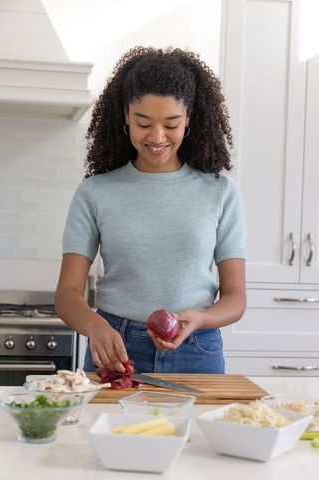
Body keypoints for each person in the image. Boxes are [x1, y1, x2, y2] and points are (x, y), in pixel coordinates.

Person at [54, 46, 247, 375]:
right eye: (144, 122)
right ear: (126, 116)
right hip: (117, 349)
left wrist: (200, 318)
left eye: (171, 124)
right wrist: (95, 326)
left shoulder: (220, 192)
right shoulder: (95, 193)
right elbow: (67, 294)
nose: (157, 137)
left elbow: (235, 297)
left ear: (188, 119)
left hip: (196, 350)